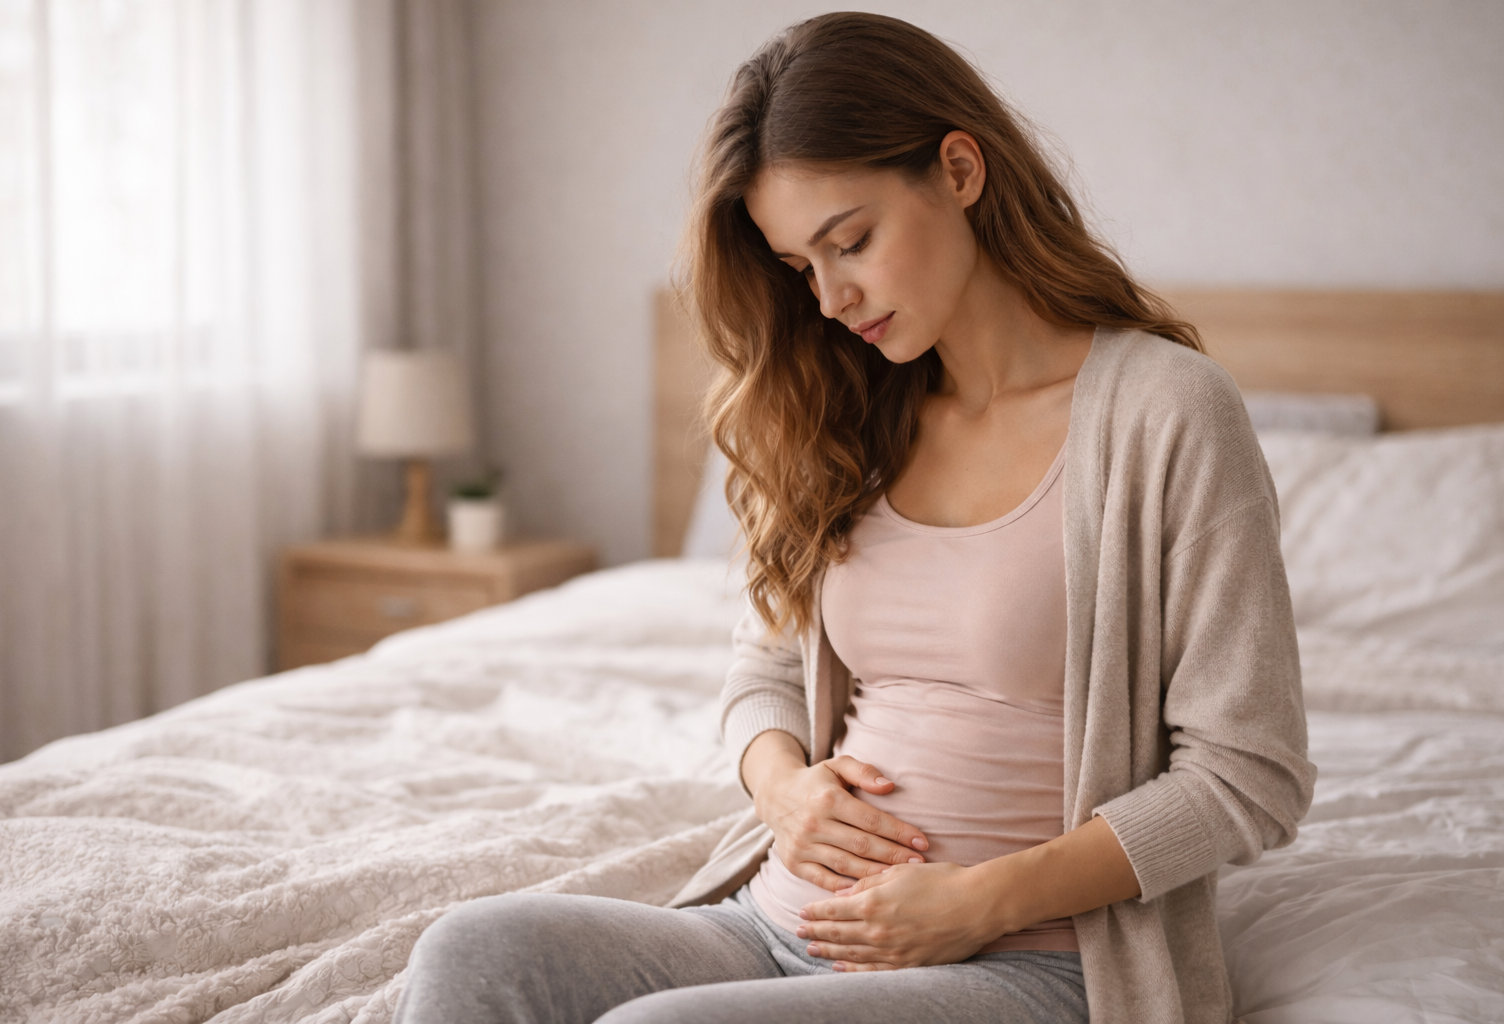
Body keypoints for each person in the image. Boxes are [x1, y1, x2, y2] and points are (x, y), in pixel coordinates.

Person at [393, 12, 1315, 1024]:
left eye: (852, 241)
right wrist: (783, 791)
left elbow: (1249, 773)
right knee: (471, 951)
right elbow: (767, 672)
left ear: (960, 170)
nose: (831, 299)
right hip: (770, 929)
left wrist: (978, 900)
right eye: (800, 267)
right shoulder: (844, 413)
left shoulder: (1167, 411)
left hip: (1031, 966)